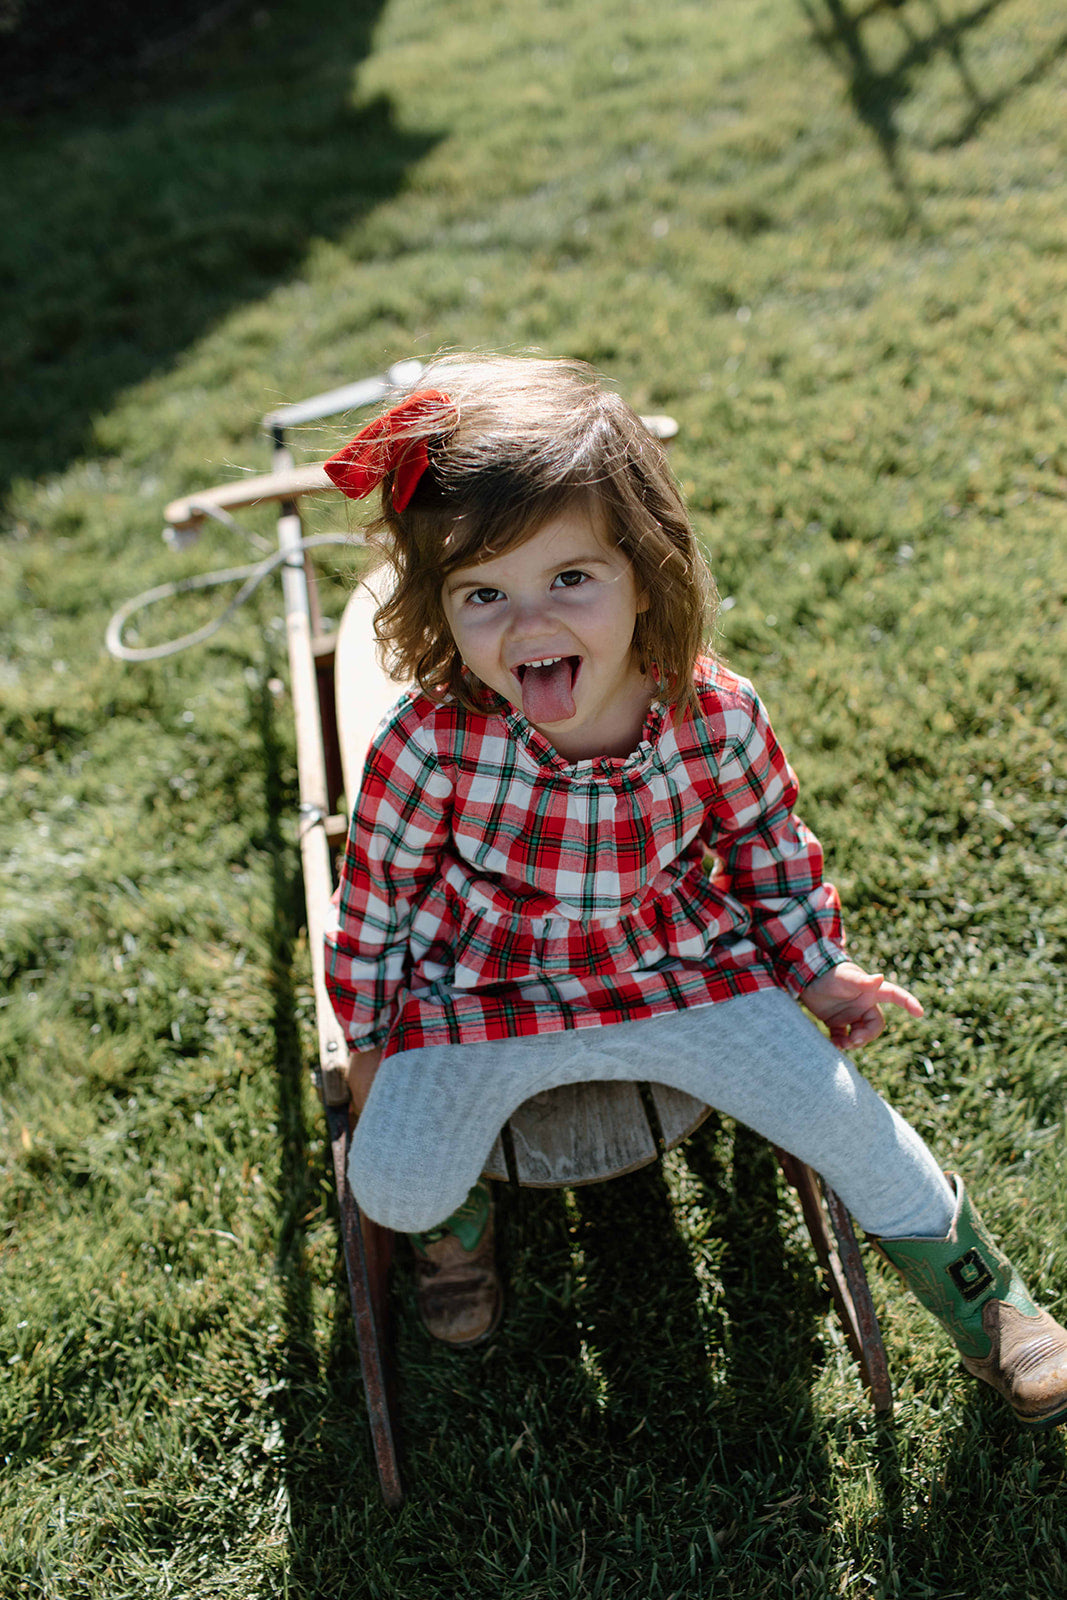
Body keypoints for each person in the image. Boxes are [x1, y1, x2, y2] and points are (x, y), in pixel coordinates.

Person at [323, 354, 1067, 1425]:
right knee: (388, 1180)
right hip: (482, 986)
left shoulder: (711, 711)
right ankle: (458, 1226)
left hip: (678, 967)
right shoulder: (429, 739)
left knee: (849, 1121)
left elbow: (765, 841)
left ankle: (985, 1301)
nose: (528, 627)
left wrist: (817, 971)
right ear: (441, 607)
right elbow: (380, 895)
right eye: (484, 594)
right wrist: (370, 1035)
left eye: (568, 579)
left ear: (644, 571)